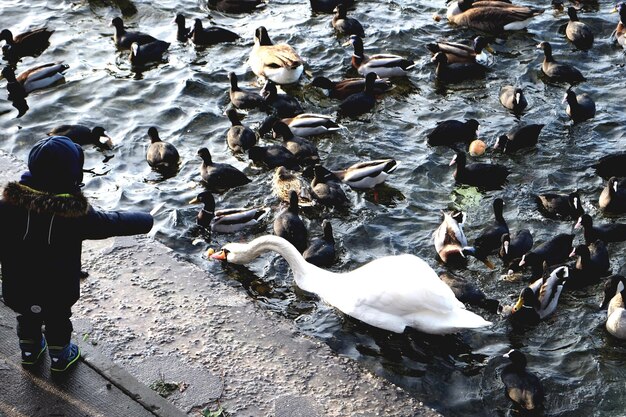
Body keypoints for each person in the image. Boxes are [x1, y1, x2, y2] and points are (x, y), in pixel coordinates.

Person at [0, 136, 153, 372]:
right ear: (73, 175)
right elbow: (112, 222)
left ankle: (29, 353)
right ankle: (60, 358)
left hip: (17, 288)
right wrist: (146, 219)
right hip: (58, 291)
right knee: (58, 320)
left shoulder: (6, 207)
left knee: (26, 317)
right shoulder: (76, 216)